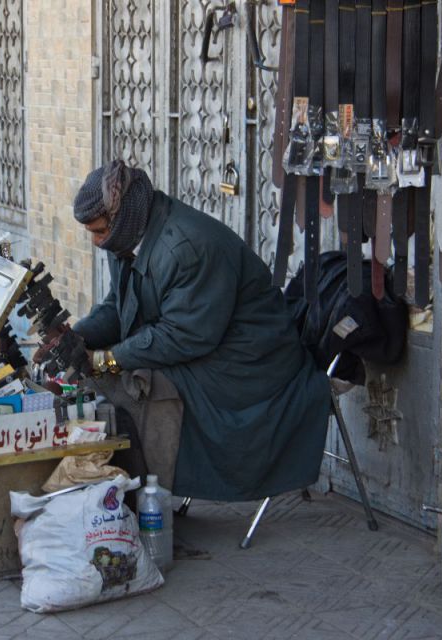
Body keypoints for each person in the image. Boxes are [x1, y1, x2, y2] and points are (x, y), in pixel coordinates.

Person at [69, 160, 331, 502]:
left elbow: (181, 337)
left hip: (250, 364)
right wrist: (78, 337)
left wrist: (105, 360)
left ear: (122, 221)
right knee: (104, 379)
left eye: (99, 232)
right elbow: (119, 308)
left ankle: (150, 500)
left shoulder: (186, 249)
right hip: (206, 344)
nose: (95, 241)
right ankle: (134, 497)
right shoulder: (124, 239)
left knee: (141, 387)